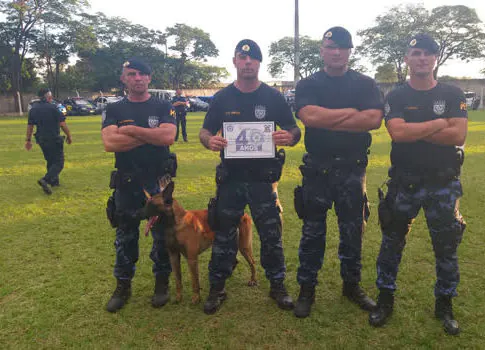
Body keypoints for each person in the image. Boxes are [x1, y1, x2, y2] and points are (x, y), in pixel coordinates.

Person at [369, 34, 467, 336]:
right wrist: (439, 124)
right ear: (407, 59)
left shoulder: (453, 93)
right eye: (416, 53)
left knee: (446, 247)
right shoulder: (397, 97)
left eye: (427, 53)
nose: (422, 58)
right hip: (405, 183)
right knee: (391, 244)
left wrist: (416, 130)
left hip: (443, 183)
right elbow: (397, 133)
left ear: (435, 58)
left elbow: (458, 136)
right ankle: (385, 299)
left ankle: (444, 304)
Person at [199, 39, 301, 315]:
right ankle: (217, 288)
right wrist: (210, 141)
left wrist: (289, 137)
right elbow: (204, 131)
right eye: (242, 58)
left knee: (271, 235)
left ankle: (277, 286)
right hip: (230, 180)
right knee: (223, 235)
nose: (247, 63)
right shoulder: (222, 98)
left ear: (258, 63)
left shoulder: (272, 97)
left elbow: (294, 129)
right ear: (234, 62)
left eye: (252, 59)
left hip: (262, 180)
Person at [293, 27, 384, 318]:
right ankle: (307, 289)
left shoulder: (365, 84)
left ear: (349, 51)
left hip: (352, 168)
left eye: (342, 48)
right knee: (312, 232)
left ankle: (351, 286)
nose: (336, 52)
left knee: (352, 231)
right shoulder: (308, 84)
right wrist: (351, 115)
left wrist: (327, 119)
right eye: (331, 47)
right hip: (317, 169)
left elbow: (373, 119)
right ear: (322, 50)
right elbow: (309, 116)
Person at [101, 58, 177, 313]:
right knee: (125, 236)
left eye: (142, 74)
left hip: (158, 182)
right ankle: (123, 285)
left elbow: (168, 136)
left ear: (149, 78)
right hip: (127, 183)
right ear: (123, 78)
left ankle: (161, 283)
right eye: (131, 74)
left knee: (162, 236)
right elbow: (110, 143)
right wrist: (148, 136)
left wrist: (131, 131)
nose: (137, 78)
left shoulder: (163, 105)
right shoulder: (114, 109)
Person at [25, 88, 72, 194]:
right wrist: (69, 136)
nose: (51, 99)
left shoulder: (33, 109)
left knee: (50, 160)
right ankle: (45, 180)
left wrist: (28, 140)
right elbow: (62, 124)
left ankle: (54, 181)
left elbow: (30, 126)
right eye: (50, 97)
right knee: (59, 162)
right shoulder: (54, 108)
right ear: (47, 97)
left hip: (41, 139)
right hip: (53, 138)